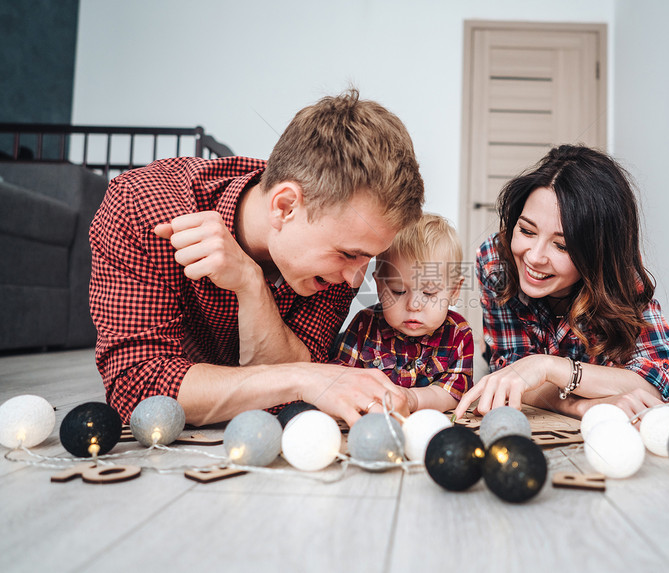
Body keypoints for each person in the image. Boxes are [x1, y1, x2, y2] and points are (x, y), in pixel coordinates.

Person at [89, 90, 424, 427]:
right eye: (349, 254)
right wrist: (301, 378)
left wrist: (251, 287)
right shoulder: (142, 205)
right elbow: (137, 390)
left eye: (368, 258)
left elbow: (295, 385)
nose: (355, 279)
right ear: (284, 206)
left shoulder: (337, 260)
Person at [453, 145, 669, 421]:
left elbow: (668, 380)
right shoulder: (496, 260)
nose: (534, 257)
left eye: (562, 246)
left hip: (578, 363)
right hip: (549, 366)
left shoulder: (621, 276)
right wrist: (581, 406)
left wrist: (548, 367)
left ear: (598, 253)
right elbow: (511, 371)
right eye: (526, 230)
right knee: (495, 361)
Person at [332, 214, 474, 413]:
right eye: (398, 291)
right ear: (381, 287)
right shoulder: (365, 325)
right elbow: (340, 381)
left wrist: (413, 399)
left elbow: (455, 391)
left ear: (454, 291)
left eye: (429, 293)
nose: (414, 305)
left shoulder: (458, 333)